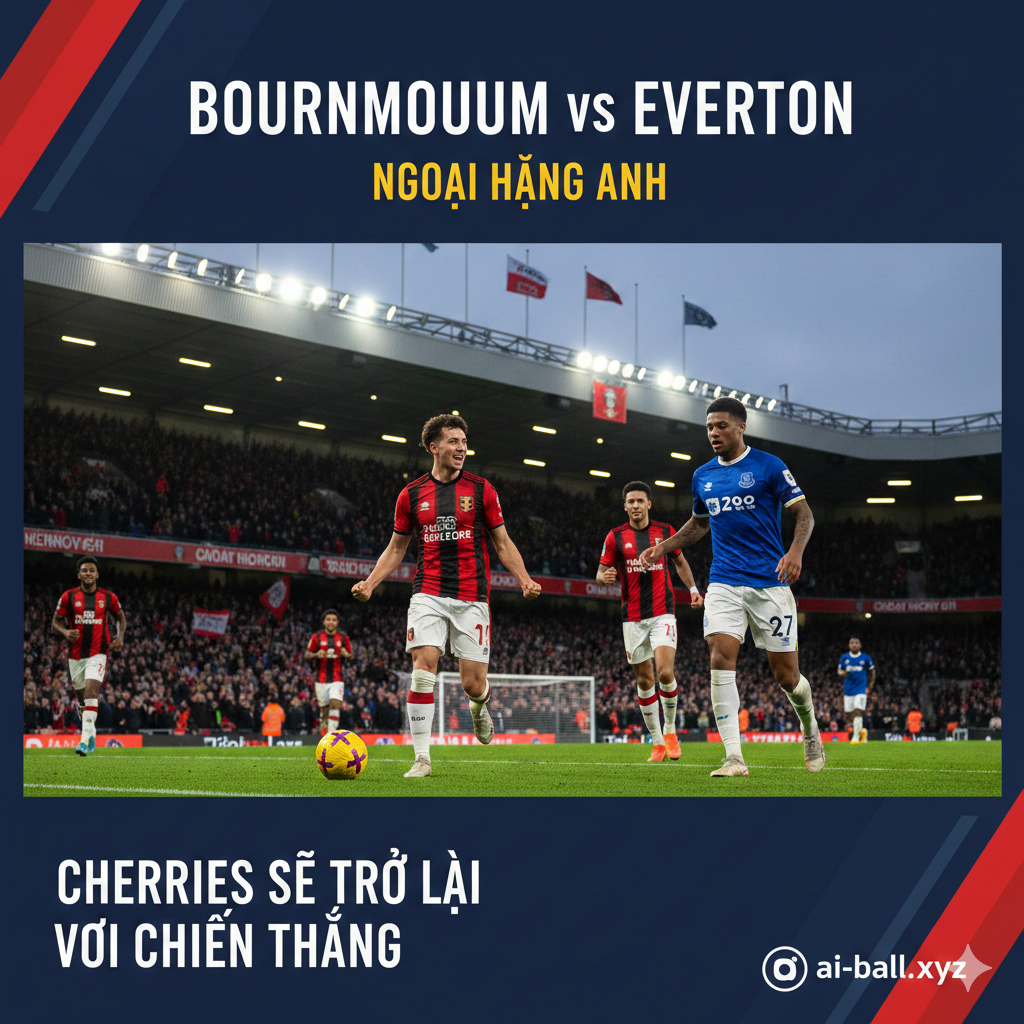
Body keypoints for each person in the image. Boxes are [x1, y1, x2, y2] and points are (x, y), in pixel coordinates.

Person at [640, 396, 825, 777]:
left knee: (787, 678)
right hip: (723, 581)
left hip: (769, 584)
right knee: (719, 658)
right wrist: (664, 545)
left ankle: (809, 726)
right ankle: (734, 757)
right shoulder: (703, 475)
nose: (713, 433)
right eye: (709, 427)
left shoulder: (769, 466)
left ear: (741, 427)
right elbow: (699, 524)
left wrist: (795, 552)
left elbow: (803, 514)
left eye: (721, 426)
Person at [352, 413, 541, 777]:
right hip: (428, 592)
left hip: (473, 595)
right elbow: (396, 548)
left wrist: (524, 579)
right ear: (433, 447)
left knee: (472, 683)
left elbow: (502, 542)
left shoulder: (482, 489)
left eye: (464, 442)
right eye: (453, 442)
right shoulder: (411, 495)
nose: (461, 448)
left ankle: (479, 705)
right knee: (422, 669)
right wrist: (370, 582)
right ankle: (422, 758)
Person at [597, 480, 703, 763]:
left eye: (639, 501)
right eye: (630, 501)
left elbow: (680, 561)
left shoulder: (665, 532)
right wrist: (604, 577)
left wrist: (692, 589)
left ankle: (670, 731)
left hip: (662, 612)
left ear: (648, 504)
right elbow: (601, 572)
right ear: (625, 506)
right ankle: (656, 742)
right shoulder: (615, 537)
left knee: (665, 674)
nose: (635, 506)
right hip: (632, 618)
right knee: (644, 680)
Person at [51, 555, 127, 756]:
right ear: (79, 574)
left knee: (92, 693)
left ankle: (84, 740)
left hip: (99, 652)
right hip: (76, 655)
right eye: (84, 570)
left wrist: (120, 636)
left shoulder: (108, 597)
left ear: (97, 574)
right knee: (83, 701)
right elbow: (55, 622)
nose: (88, 573)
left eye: (91, 570)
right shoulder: (69, 597)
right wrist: (66, 632)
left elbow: (120, 616)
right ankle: (91, 732)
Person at [304, 608, 354, 734]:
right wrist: (316, 654)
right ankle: (325, 734)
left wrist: (346, 654)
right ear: (324, 622)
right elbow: (307, 654)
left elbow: (351, 655)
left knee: (335, 704)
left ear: (337, 622)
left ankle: (332, 734)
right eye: (328, 620)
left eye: (333, 620)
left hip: (337, 679)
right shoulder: (317, 637)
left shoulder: (343, 638)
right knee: (325, 711)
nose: (331, 622)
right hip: (320, 680)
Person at [838, 636, 875, 744]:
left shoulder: (865, 657)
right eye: (852, 643)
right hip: (848, 690)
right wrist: (843, 673)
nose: (854, 644)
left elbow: (872, 672)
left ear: (860, 645)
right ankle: (862, 732)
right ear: (849, 645)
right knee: (850, 715)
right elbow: (839, 670)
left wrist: (870, 686)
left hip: (861, 689)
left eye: (856, 643)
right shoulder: (844, 657)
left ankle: (856, 737)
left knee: (858, 711)